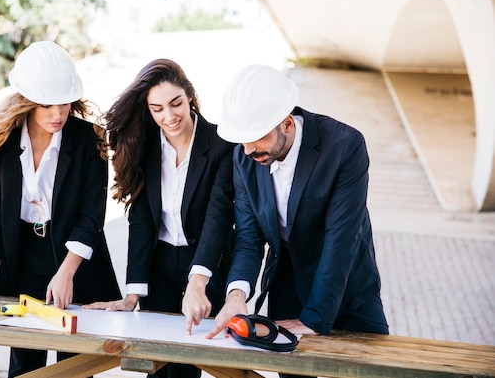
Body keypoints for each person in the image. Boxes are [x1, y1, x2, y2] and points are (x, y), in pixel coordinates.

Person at [0, 41, 121, 377]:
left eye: (64, 104)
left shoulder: (91, 140)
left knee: (74, 366)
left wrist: (67, 273)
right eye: (46, 105)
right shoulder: (2, 144)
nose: (57, 114)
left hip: (75, 261)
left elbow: (91, 218)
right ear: (26, 101)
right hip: (23, 258)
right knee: (25, 363)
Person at [207, 64, 388, 377]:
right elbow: (249, 237)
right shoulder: (243, 158)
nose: (248, 150)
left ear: (287, 123)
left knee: (379, 371)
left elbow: (341, 238)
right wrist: (236, 296)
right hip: (288, 287)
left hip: (349, 289)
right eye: (242, 140)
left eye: (256, 137)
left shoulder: (346, 146)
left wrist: (315, 318)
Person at [85, 58, 235, 378]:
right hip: (160, 264)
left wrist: (199, 280)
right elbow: (141, 221)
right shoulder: (143, 147)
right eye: (157, 109)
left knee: (186, 364)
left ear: (190, 96)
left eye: (175, 103)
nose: (169, 116)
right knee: (156, 364)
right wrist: (132, 294)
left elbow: (217, 218)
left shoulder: (222, 145)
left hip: (207, 263)